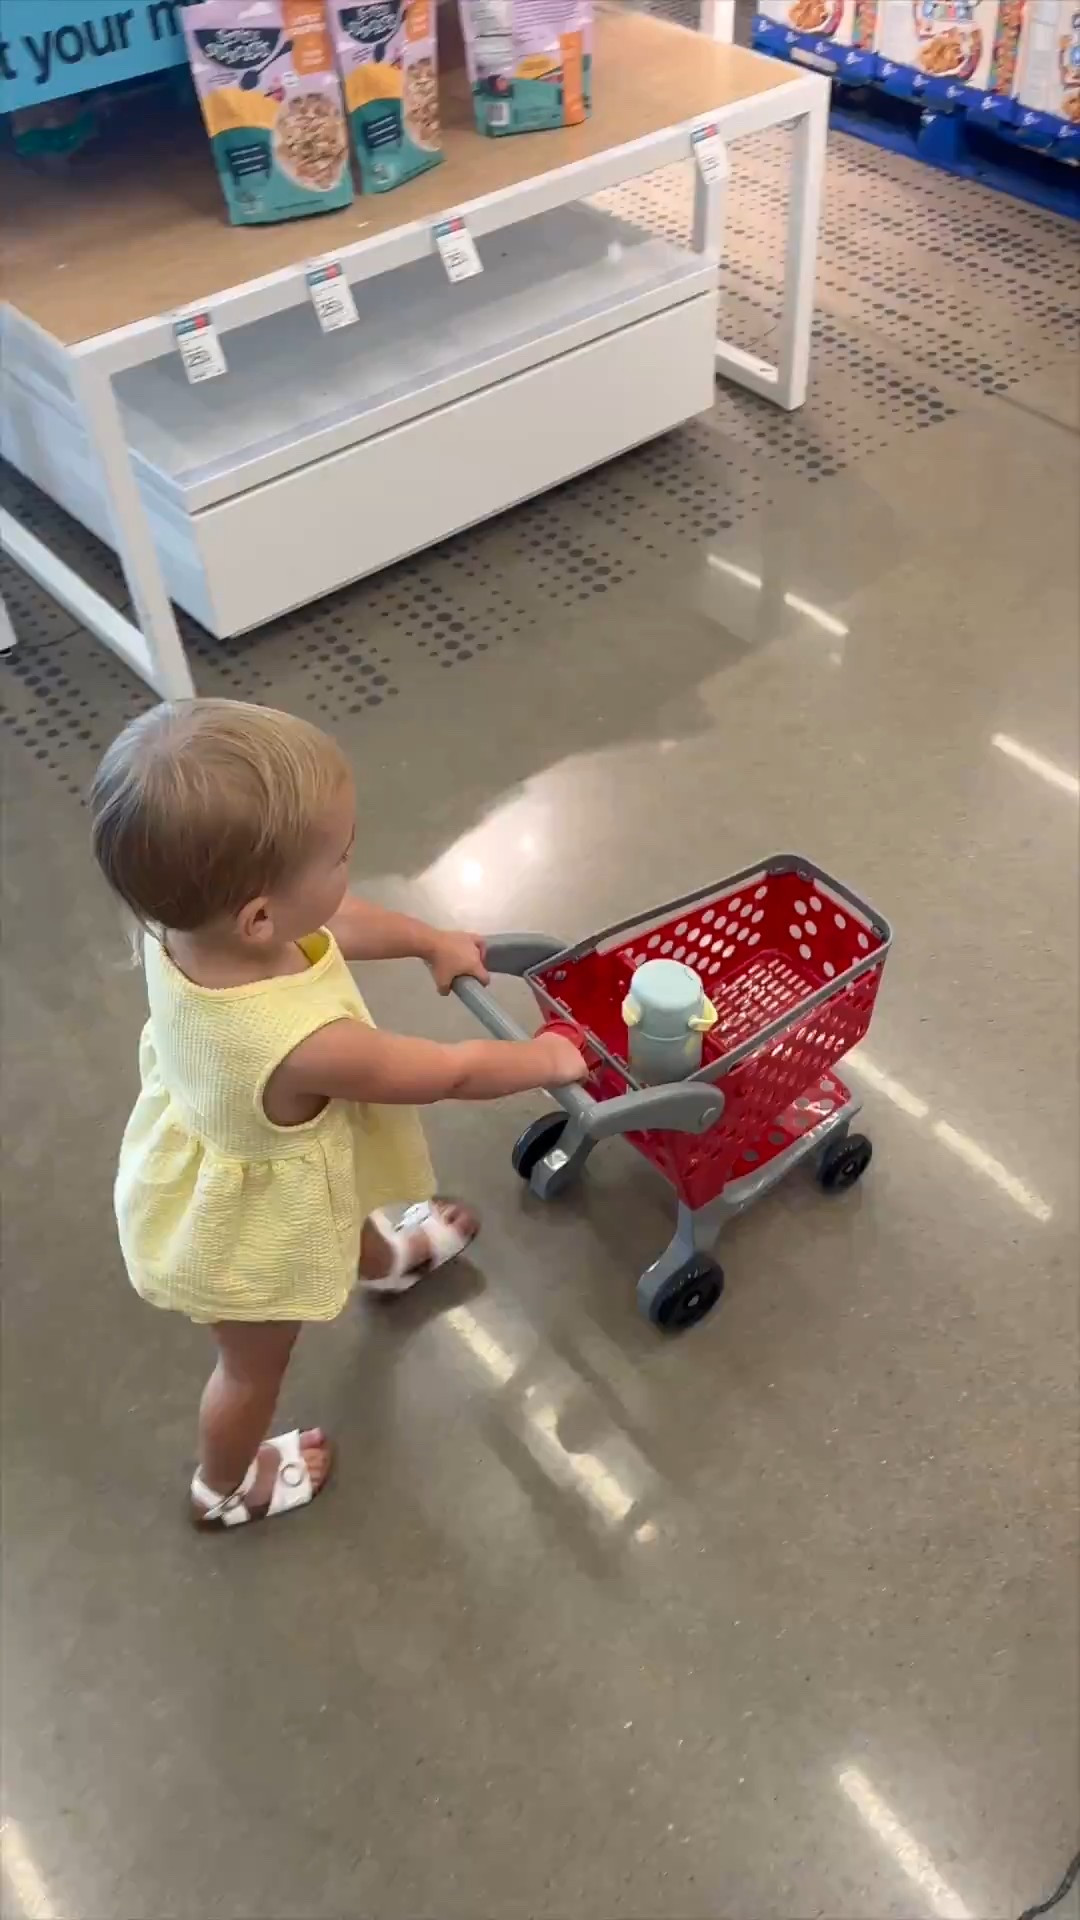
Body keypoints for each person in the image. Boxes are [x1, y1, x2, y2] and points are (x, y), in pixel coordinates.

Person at [89, 698, 585, 1532]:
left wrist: (429, 939)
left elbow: (333, 925)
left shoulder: (182, 924)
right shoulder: (302, 1043)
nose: (351, 867)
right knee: (252, 1368)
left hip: (249, 1146)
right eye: (341, 857)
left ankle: (383, 1260)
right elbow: (445, 1073)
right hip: (243, 1233)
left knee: (336, 1182)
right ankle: (225, 1486)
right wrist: (544, 1059)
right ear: (260, 916)